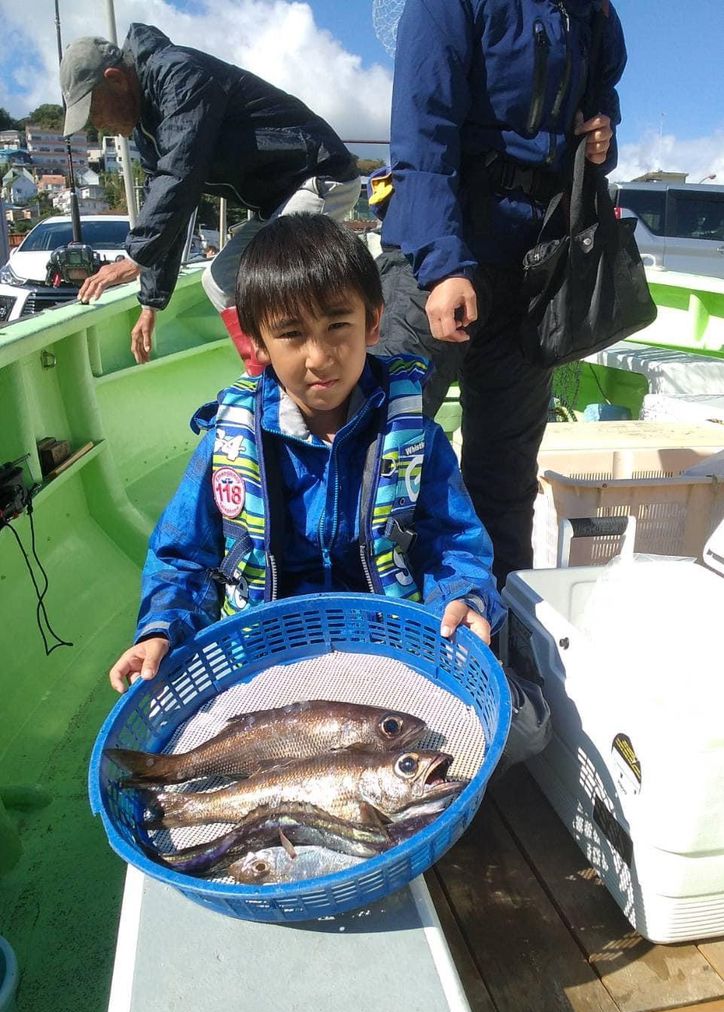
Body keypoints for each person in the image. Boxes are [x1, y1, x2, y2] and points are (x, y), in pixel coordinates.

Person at [109, 214, 550, 769]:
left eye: (338, 325)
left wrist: (464, 596)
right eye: (291, 334)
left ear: (372, 322)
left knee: (527, 728)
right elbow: (182, 559)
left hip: (390, 646)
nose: (319, 357)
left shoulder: (415, 436)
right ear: (257, 344)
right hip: (265, 658)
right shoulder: (228, 441)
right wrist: (162, 630)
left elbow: (452, 543)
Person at [372, 0, 627, 584]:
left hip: (533, 274)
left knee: (507, 484)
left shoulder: (594, 16)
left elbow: (603, 95)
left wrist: (602, 133)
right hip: (437, 260)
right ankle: (352, 632)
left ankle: (502, 640)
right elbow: (422, 128)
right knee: (380, 457)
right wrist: (443, 265)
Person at [59, 26, 360, 366]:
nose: (99, 125)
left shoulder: (179, 75)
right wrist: (150, 301)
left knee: (278, 284)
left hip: (318, 176)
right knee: (221, 283)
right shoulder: (147, 125)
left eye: (94, 111)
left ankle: (329, 375)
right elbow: (168, 202)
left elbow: (180, 175)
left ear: (116, 79)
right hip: (279, 198)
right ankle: (268, 380)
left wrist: (135, 257)